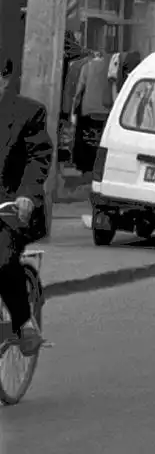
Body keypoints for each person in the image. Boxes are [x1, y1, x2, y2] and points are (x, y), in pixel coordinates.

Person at [0, 56, 50, 356]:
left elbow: (37, 158)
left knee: (2, 257)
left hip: (11, 210)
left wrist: (27, 195)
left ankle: (24, 323)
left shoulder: (29, 113)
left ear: (4, 78)